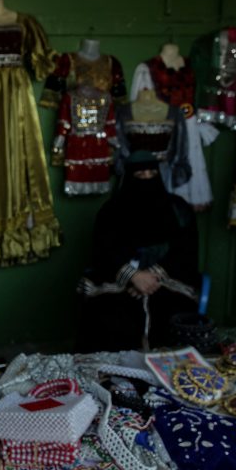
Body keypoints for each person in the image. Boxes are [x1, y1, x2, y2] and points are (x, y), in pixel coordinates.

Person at [77, 150, 200, 352]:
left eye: (152, 174)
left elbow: (186, 249)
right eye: (140, 175)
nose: (147, 178)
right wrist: (133, 276)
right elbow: (104, 251)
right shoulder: (111, 211)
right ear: (128, 177)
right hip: (120, 281)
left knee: (171, 311)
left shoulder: (178, 208)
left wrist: (152, 278)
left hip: (167, 280)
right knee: (108, 312)